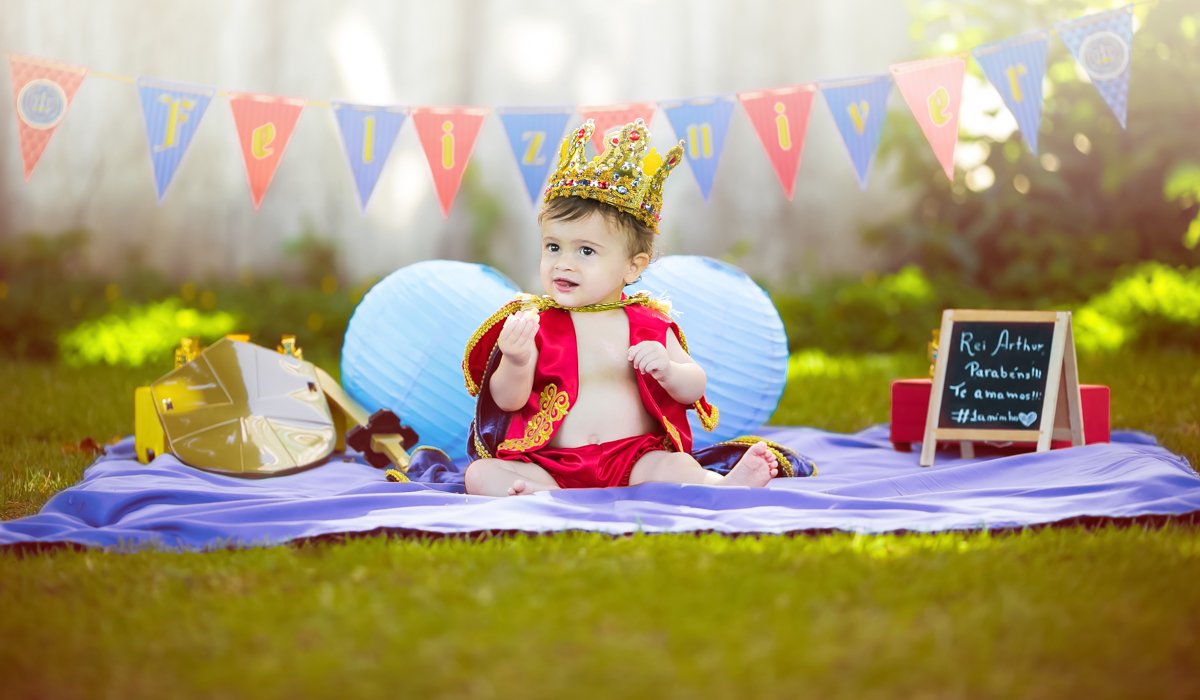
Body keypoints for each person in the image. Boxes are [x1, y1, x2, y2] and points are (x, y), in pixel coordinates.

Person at [461, 119, 811, 496]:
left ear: (633, 266)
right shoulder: (535, 323)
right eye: (553, 247)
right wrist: (515, 359)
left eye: (586, 251)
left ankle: (723, 485)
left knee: (675, 464)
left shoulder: (648, 322)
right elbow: (508, 401)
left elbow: (694, 387)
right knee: (480, 474)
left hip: (633, 458)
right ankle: (548, 494)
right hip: (552, 462)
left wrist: (668, 369)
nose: (563, 262)